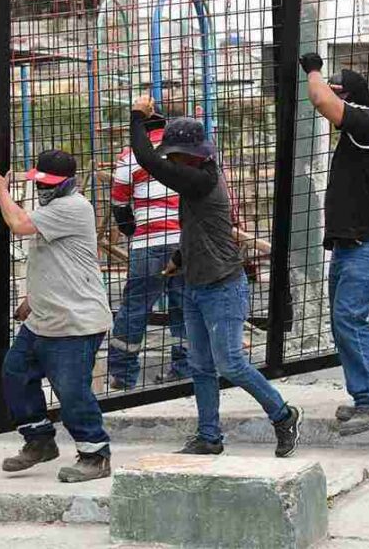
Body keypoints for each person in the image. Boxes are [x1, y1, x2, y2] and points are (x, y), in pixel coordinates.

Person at [129, 95, 302, 458]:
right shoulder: (196, 178)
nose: (170, 160)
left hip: (222, 286)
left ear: (190, 155)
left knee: (231, 364)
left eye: (174, 154)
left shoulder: (202, 180)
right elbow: (200, 229)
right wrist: (179, 258)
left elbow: (146, 160)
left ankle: (283, 415)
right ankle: (209, 436)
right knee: (200, 366)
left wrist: (136, 117)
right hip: (195, 284)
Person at [0, 150, 113, 483]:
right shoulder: (53, 209)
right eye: (40, 183)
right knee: (15, 372)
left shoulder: (72, 207)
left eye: (50, 184)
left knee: (71, 390)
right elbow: (57, 261)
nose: (44, 190)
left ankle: (95, 454)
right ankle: (39, 439)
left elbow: (17, 224)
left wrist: (0, 190)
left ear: (68, 183)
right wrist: (32, 299)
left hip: (75, 321)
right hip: (44, 317)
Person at [299, 52, 369, 435]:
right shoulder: (359, 132)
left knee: (349, 318)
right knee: (345, 322)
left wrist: (312, 69)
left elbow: (322, 99)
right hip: (352, 246)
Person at [107, 111, 189, 389]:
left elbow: (119, 204)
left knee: (134, 308)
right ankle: (184, 367)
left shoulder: (129, 156)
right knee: (185, 305)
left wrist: (133, 231)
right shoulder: (185, 152)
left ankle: (122, 375)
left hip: (148, 244)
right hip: (184, 240)